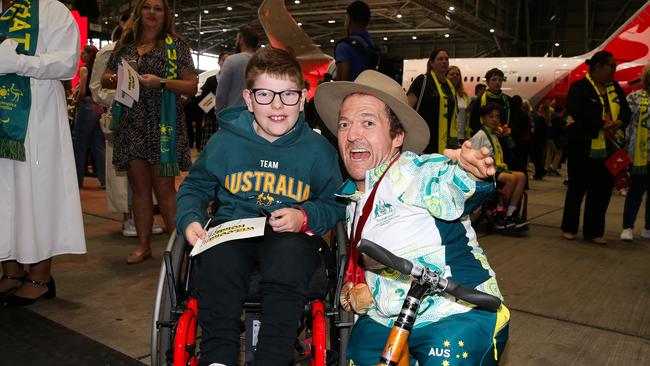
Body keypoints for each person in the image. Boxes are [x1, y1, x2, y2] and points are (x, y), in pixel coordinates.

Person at [314, 70, 509, 365]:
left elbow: (451, 182)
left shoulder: (416, 172)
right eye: (344, 124)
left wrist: (472, 173)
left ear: (398, 136)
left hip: (455, 312)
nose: (352, 134)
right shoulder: (353, 199)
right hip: (386, 318)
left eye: (368, 122)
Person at [175, 48, 346, 366]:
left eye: (288, 95)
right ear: (249, 99)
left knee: (289, 257)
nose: (278, 105)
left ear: (304, 96)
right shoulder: (225, 142)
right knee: (218, 260)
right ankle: (218, 357)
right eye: (265, 94)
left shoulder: (319, 151)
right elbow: (194, 188)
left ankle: (273, 357)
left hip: (290, 236)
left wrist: (304, 215)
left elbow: (335, 202)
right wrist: (190, 220)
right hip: (233, 228)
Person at [0, 0, 86, 307]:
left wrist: (18, 62)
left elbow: (67, 63)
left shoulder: (52, 9)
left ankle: (40, 276)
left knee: (38, 192)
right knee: (5, 196)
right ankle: (10, 271)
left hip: (38, 119)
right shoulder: (3, 12)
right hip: (3, 120)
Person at [102, 0, 197, 264]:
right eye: (147, 7)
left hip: (162, 123)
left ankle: (181, 252)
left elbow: (191, 86)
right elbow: (105, 78)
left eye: (158, 8)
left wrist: (162, 82)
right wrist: (122, 75)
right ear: (139, 12)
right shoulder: (126, 45)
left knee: (165, 188)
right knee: (140, 188)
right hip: (132, 121)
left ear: (165, 14)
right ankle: (144, 246)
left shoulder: (176, 45)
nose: (152, 13)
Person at [90, 24, 164, 238]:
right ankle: (127, 218)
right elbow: (97, 89)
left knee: (146, 170)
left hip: (148, 120)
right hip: (120, 119)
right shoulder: (108, 53)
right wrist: (123, 98)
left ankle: (146, 218)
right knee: (122, 173)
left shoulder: (151, 52)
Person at [561, 51, 631, 244]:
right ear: (598, 66)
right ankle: (569, 227)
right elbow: (577, 111)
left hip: (608, 147)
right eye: (611, 66)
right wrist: (602, 125)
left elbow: (626, 111)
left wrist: (618, 123)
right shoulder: (580, 87)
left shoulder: (615, 88)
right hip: (583, 146)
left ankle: (594, 231)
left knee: (601, 191)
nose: (614, 71)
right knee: (577, 188)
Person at [471, 104, 529, 229]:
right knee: (511, 179)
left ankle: (510, 214)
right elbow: (473, 158)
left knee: (522, 176)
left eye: (497, 116)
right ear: (483, 119)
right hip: (485, 171)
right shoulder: (480, 136)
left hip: (497, 168)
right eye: (490, 116)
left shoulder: (495, 134)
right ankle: (499, 213)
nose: (495, 119)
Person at [407, 48, 458, 154]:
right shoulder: (423, 80)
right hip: (424, 139)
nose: (444, 61)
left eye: (446, 59)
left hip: (444, 142)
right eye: (440, 59)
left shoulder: (450, 86)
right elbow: (408, 106)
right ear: (431, 62)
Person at [620, 64, 650, 241]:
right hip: (638, 154)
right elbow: (627, 126)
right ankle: (627, 227)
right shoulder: (634, 98)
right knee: (635, 193)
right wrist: (626, 150)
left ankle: (648, 227)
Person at [73, 45, 106, 189]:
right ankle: (105, 181)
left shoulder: (84, 69)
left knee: (80, 145)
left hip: (86, 106)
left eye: (84, 53)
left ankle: (77, 181)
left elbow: (82, 88)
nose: (81, 55)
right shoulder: (99, 69)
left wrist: (77, 100)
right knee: (98, 146)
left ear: (89, 55)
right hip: (98, 107)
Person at [214, 27, 258, 113]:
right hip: (257, 114)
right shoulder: (262, 61)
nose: (235, 42)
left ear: (241, 40)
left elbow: (221, 93)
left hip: (234, 114)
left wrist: (218, 111)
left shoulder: (231, 60)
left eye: (237, 39)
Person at [334, 0, 375, 81]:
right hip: (370, 91)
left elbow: (341, 82)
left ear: (349, 19)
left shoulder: (344, 46)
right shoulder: (372, 45)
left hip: (352, 92)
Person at [199, 51, 231, 150]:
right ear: (219, 62)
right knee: (210, 145)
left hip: (228, 117)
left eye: (229, 60)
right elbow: (203, 99)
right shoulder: (210, 80)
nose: (226, 62)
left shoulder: (233, 80)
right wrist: (213, 113)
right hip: (211, 117)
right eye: (224, 60)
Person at [447, 65, 470, 141]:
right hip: (448, 135)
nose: (455, 76)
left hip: (462, 136)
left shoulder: (464, 96)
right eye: (452, 74)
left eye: (457, 74)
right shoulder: (443, 94)